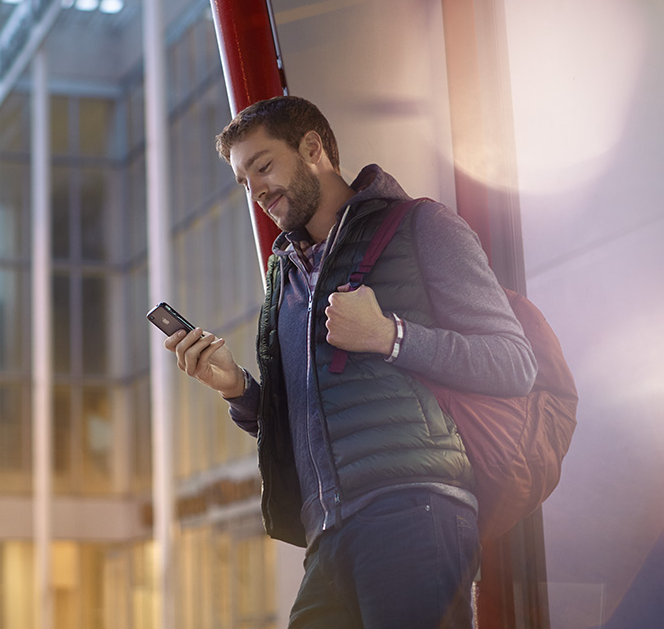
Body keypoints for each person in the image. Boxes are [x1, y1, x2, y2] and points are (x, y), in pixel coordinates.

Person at [165, 96, 537, 629]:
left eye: (264, 166)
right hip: (327, 532)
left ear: (313, 148)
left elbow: (513, 363)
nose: (257, 192)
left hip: (414, 507)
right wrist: (240, 391)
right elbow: (311, 420)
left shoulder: (420, 226)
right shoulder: (286, 278)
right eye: (244, 182)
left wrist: (390, 335)